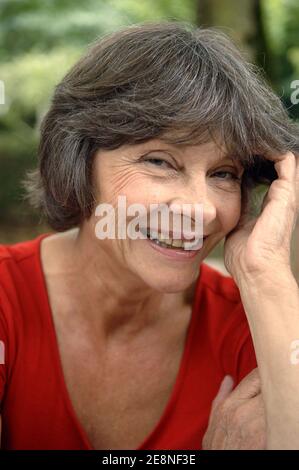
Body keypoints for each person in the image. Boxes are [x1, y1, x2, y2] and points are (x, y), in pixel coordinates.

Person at [0, 21, 298, 450]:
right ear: (78, 160)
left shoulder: (256, 323)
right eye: (160, 162)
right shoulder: (8, 300)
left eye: (223, 173)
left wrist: (265, 275)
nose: (201, 208)